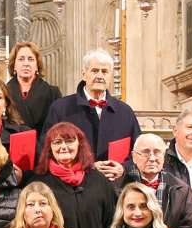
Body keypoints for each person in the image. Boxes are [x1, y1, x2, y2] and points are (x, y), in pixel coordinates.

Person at [41, 48, 138, 182]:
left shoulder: (125, 112)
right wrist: (86, 167)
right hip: (73, 186)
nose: (99, 76)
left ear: (111, 75)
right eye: (94, 71)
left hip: (114, 188)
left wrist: (124, 168)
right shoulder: (60, 108)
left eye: (104, 71)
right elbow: (46, 150)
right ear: (84, 73)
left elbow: (138, 150)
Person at [30, 122, 117, 228]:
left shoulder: (98, 179)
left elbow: (111, 221)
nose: (63, 147)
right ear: (49, 148)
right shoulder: (39, 183)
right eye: (57, 142)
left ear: (79, 144)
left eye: (69, 141)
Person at [118, 132, 192, 228]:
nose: (152, 159)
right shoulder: (117, 188)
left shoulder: (181, 189)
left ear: (164, 156)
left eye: (157, 153)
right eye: (145, 152)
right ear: (134, 157)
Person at [7, 41, 62, 138]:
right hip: (11, 148)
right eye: (21, 59)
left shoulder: (52, 93)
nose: (26, 63)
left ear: (37, 65)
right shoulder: (3, 92)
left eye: (31, 59)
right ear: (14, 65)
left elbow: (59, 128)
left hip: (43, 148)